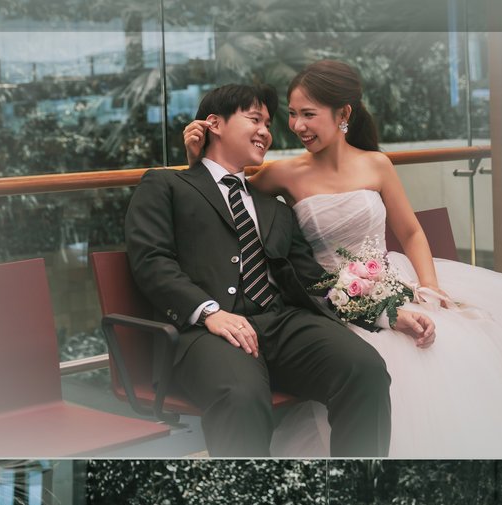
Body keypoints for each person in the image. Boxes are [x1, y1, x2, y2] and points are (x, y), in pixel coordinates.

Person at [182, 60, 502, 457]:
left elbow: (410, 232)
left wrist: (429, 287)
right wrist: (195, 158)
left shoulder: (377, 164)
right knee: (378, 362)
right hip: (331, 298)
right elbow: (222, 199)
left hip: (394, 281)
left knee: (458, 348)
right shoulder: (281, 173)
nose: (296, 125)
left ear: (343, 114)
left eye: (308, 114)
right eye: (292, 114)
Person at [125, 82, 392, 457]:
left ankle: (359, 482)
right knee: (242, 396)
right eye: (254, 120)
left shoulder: (274, 207)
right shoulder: (167, 185)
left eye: (268, 124)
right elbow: (151, 260)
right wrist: (210, 313)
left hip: (282, 323)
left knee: (365, 368)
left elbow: (313, 279)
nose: (265, 132)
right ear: (215, 123)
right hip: (207, 332)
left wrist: (385, 312)